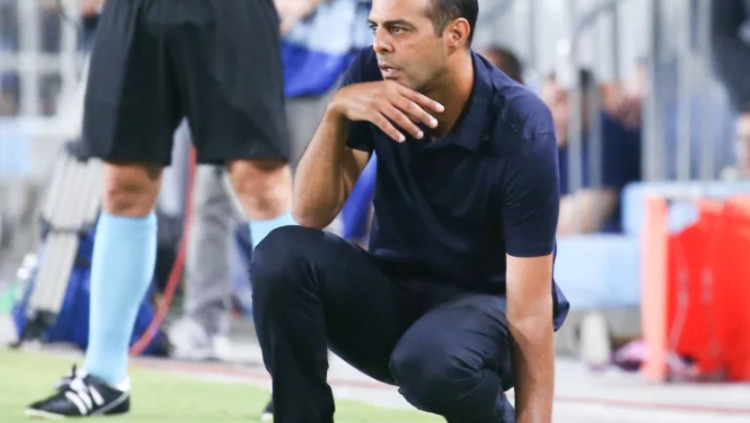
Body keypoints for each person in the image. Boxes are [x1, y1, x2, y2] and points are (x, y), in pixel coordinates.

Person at [250, 0, 569, 422]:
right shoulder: (374, 72)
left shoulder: (521, 126)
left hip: (485, 319)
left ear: (454, 35)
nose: (380, 44)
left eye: (398, 29)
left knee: (430, 362)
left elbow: (529, 311)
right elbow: (311, 214)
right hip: (396, 301)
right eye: (375, 28)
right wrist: (336, 112)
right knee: (281, 254)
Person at [26, 0, 296, 417]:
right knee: (123, 184)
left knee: (260, 180)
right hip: (133, 11)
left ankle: (296, 383)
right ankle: (104, 377)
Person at [541, 70, 641, 235]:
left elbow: (582, 219)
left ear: (588, 101)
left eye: (560, 101)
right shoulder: (555, 145)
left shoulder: (606, 137)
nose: (547, 112)